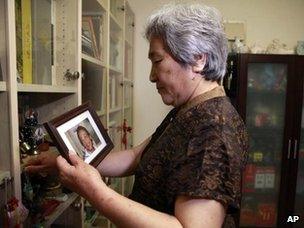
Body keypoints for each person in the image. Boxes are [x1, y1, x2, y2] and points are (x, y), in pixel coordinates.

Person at [26, 3, 248, 227]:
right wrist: (64, 159)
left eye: (158, 61)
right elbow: (135, 157)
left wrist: (94, 191)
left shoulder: (214, 129)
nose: (152, 76)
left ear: (198, 59)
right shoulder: (190, 110)